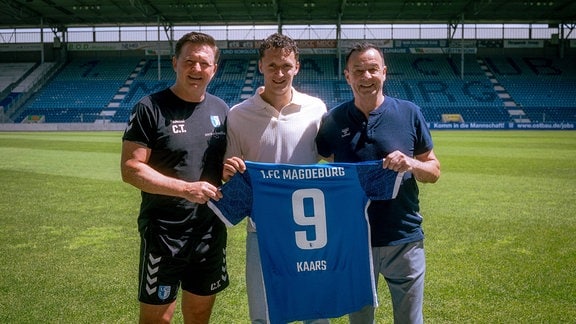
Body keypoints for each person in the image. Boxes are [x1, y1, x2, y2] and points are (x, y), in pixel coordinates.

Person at [315, 42, 441, 324]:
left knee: (409, 321)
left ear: (384, 72)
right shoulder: (333, 121)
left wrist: (412, 163)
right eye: (358, 70)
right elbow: (315, 162)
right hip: (354, 241)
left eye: (373, 69)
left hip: (404, 239)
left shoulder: (409, 113)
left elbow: (433, 170)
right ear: (347, 76)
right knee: (360, 321)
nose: (366, 76)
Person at [120, 31, 229, 324]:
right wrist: (184, 189)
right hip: (164, 234)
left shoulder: (221, 109)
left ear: (214, 68)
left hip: (209, 232)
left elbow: (225, 164)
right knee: (158, 319)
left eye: (204, 63)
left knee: (199, 314)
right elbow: (131, 168)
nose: (196, 69)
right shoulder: (149, 108)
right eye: (189, 61)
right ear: (175, 63)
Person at [222, 33, 329, 323]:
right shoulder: (238, 115)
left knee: (317, 313)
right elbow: (230, 174)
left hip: (310, 233)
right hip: (262, 231)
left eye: (285, 66)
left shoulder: (316, 109)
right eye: (272, 66)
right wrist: (228, 171)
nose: (279, 73)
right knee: (264, 316)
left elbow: (332, 160)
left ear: (297, 66)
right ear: (260, 67)